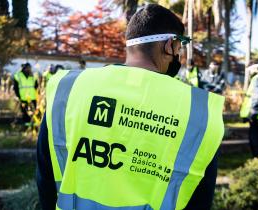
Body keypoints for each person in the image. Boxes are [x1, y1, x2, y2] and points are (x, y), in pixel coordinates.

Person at [36, 4, 224, 210]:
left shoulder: (69, 88)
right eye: (179, 46)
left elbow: (45, 175)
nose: (179, 53)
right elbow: (199, 198)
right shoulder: (197, 111)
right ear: (170, 45)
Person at [13, 63, 38, 127]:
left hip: (32, 98)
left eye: (29, 68)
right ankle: (27, 126)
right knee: (25, 113)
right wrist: (18, 96)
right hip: (23, 98)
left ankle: (33, 126)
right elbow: (15, 87)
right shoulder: (18, 76)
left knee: (33, 112)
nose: (28, 69)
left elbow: (36, 86)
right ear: (23, 68)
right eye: (27, 68)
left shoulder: (33, 76)